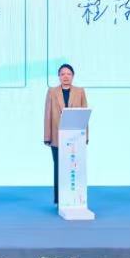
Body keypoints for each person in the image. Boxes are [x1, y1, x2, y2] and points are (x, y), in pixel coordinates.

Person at [43, 63, 89, 205]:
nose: (65, 76)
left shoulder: (80, 91)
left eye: (68, 74)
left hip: (76, 137)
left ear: (73, 76)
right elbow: (47, 114)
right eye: (62, 74)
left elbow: (85, 114)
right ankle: (59, 199)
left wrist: (86, 136)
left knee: (74, 168)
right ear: (59, 76)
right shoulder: (52, 92)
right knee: (59, 167)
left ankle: (75, 198)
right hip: (57, 137)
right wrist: (47, 136)